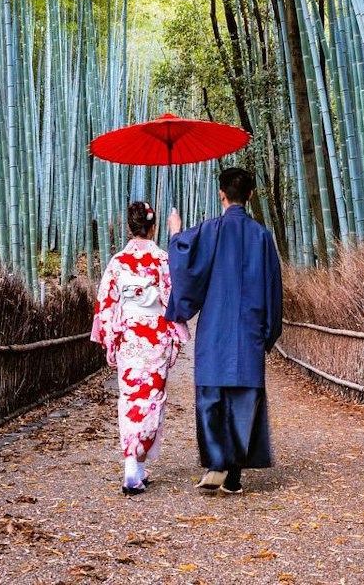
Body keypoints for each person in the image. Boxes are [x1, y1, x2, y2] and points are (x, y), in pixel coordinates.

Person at [165, 167, 283, 494]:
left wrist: (175, 233)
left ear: (221, 194)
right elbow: (274, 287)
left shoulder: (209, 231)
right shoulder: (262, 236)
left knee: (212, 395)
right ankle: (233, 477)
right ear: (250, 195)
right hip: (248, 329)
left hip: (216, 327)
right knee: (244, 399)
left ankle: (217, 463)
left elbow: (184, 264)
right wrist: (269, 330)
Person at [90, 201, 189, 495]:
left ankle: (135, 466)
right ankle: (135, 465)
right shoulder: (162, 260)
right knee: (152, 399)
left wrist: (111, 339)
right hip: (155, 335)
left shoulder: (118, 262)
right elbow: (175, 299)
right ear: (153, 227)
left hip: (130, 337)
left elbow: (106, 305)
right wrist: (177, 235)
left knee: (131, 397)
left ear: (129, 227)